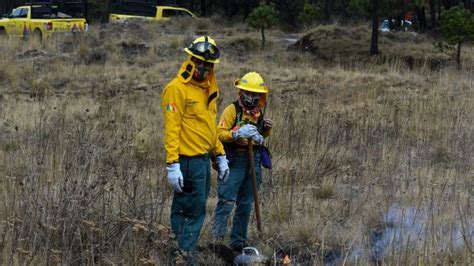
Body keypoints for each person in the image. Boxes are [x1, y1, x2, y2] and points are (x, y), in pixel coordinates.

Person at [161, 36, 229, 264]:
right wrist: (172, 164)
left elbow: (209, 126)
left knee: (191, 210)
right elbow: (172, 129)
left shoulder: (206, 90)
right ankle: (183, 259)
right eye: (199, 62)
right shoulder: (176, 89)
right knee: (190, 212)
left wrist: (219, 154)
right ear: (190, 59)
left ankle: (180, 255)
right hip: (186, 163)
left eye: (208, 65)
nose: (203, 67)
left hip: (202, 162)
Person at [212, 72, 273, 252]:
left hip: (253, 158)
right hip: (235, 158)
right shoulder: (232, 110)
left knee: (246, 202)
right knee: (226, 199)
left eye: (255, 94)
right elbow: (219, 133)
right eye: (248, 92)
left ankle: (238, 241)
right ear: (241, 91)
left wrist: (266, 131)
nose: (251, 97)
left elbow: (260, 136)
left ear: (261, 95)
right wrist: (236, 134)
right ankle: (217, 241)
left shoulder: (260, 111)